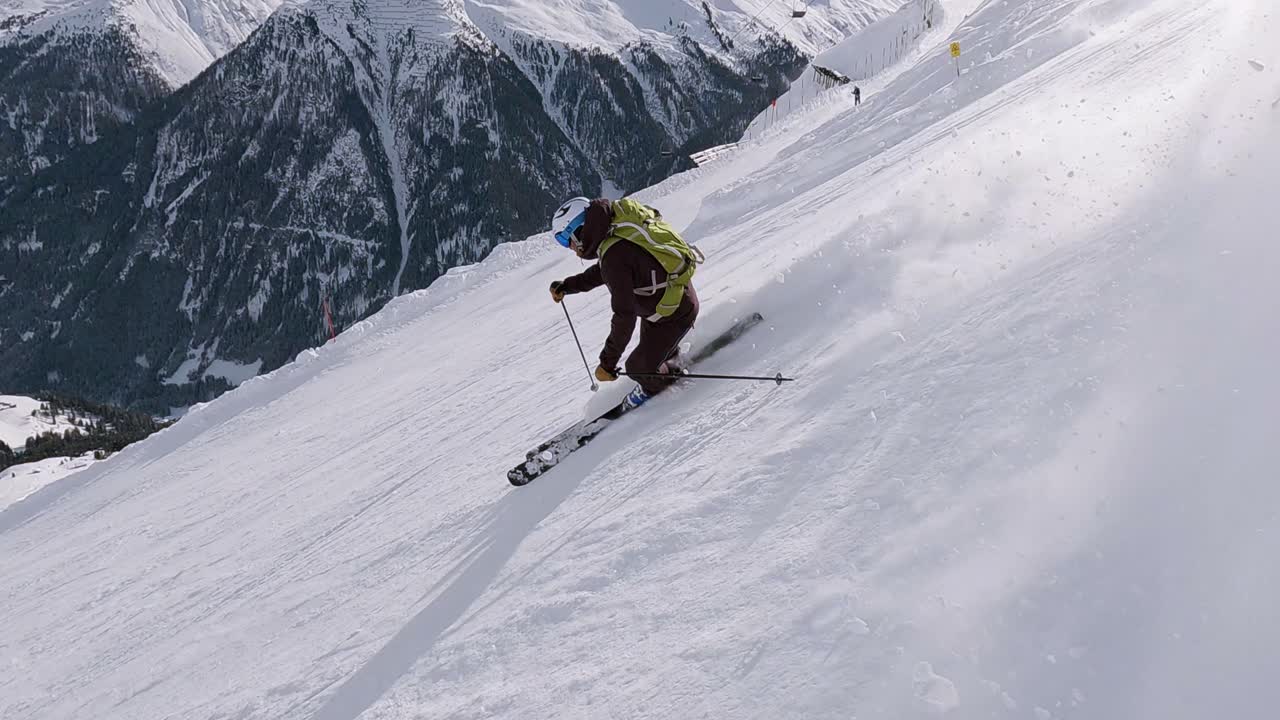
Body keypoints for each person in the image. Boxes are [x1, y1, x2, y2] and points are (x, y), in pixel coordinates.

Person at [548, 196, 702, 409]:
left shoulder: (614, 254)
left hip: (672, 314)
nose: (571, 248)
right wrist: (568, 286)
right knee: (651, 354)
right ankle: (669, 363)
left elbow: (624, 316)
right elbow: (606, 272)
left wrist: (607, 363)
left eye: (566, 240)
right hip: (670, 302)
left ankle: (667, 391)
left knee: (636, 367)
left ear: (578, 230)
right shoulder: (614, 232)